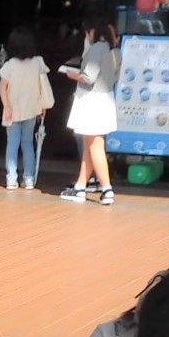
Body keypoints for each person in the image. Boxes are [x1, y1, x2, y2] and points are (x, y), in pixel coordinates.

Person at [59, 15, 119, 205]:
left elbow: (88, 78)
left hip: (92, 101)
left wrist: (71, 74)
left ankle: (107, 189)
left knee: (95, 147)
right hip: (106, 99)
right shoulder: (114, 51)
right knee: (90, 147)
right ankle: (80, 187)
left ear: (92, 32)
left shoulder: (97, 48)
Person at [0, 26, 53, 191]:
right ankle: (28, 178)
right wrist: (43, 105)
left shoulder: (10, 65)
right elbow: (43, 85)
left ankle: (11, 178)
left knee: (12, 144)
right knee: (28, 143)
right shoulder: (38, 62)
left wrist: (6, 106)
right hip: (32, 109)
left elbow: (2, 87)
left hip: (12, 110)